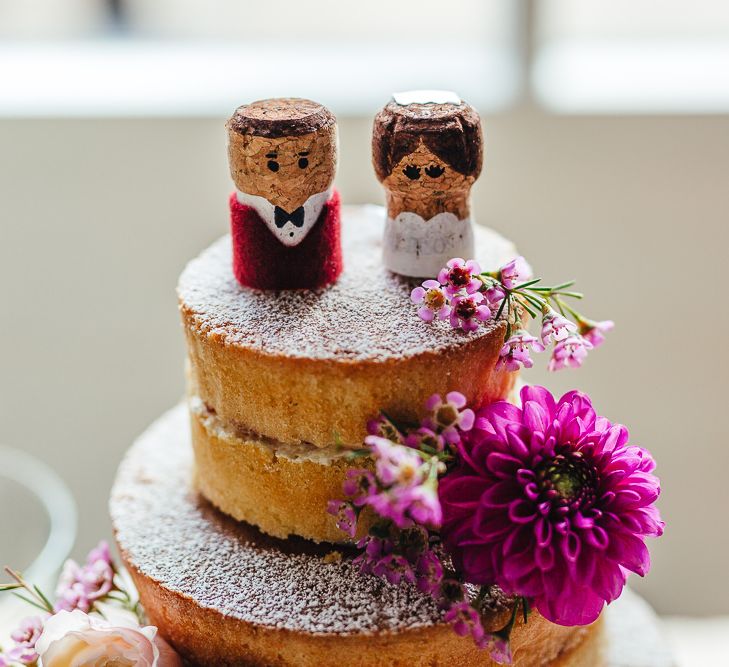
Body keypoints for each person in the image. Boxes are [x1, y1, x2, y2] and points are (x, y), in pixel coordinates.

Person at [226, 98, 342, 290]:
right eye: (272, 164)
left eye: (303, 162)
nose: (289, 175)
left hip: (321, 279)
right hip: (256, 286)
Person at [372, 91, 483, 278]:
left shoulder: (461, 123)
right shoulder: (392, 123)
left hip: (457, 267)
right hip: (400, 260)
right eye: (412, 170)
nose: (423, 176)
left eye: (435, 170)